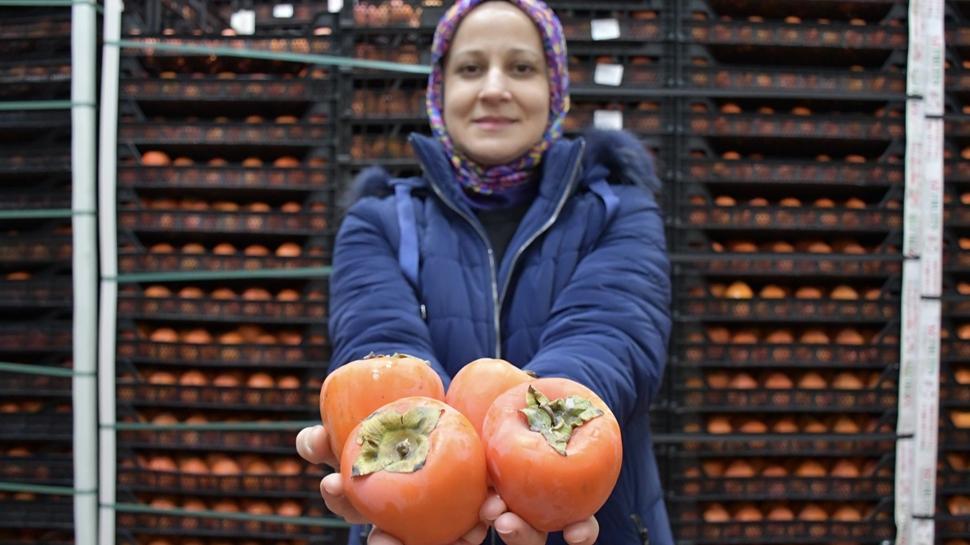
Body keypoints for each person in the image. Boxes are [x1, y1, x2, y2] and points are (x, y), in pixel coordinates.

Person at [296, 0, 673, 543]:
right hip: (415, 521)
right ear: (439, 88)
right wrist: (417, 453)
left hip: (588, 520)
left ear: (555, 87)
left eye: (521, 68)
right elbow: (375, 341)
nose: (494, 88)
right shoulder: (379, 221)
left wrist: (539, 435)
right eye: (471, 69)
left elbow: (612, 334)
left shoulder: (617, 211)